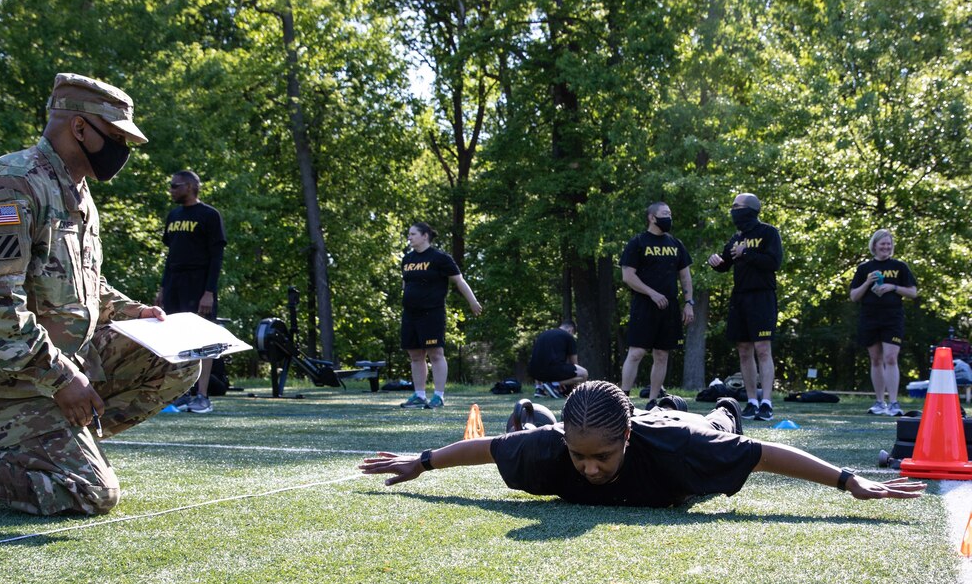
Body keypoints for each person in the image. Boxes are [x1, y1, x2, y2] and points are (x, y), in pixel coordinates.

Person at [0, 73, 199, 515]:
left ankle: (54, 445)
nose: (122, 152)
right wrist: (61, 377)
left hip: (60, 368)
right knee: (92, 494)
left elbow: (80, 284)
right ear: (80, 128)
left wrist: (134, 312)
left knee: (178, 358)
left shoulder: (76, 192)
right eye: (115, 137)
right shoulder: (9, 184)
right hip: (0, 378)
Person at [361, 380, 925, 507]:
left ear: (625, 439)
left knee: (719, 425)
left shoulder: (682, 448)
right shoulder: (549, 447)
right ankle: (540, 409)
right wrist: (422, 462)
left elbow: (763, 454)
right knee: (538, 429)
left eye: (601, 457)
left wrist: (849, 481)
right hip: (627, 421)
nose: (587, 469)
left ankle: (722, 399)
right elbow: (484, 450)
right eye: (579, 456)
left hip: (686, 431)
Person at [155, 170, 227, 415]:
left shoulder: (209, 215)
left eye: (175, 186)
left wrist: (209, 292)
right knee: (177, 339)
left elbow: (216, 257)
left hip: (198, 284)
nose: (171, 190)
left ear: (190, 186)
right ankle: (180, 394)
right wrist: (163, 288)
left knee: (203, 340)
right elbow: (171, 255)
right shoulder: (173, 215)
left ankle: (202, 396)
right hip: (175, 283)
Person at [707, 193, 783, 421]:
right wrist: (717, 263)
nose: (733, 210)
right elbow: (726, 262)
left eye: (736, 206)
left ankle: (766, 403)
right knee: (743, 349)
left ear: (749, 209)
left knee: (762, 348)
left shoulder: (769, 233)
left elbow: (774, 262)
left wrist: (747, 252)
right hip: (740, 298)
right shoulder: (736, 237)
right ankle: (751, 401)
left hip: (762, 297)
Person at [399, 221, 482, 409]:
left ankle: (438, 396)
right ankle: (419, 395)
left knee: (436, 353)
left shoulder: (440, 258)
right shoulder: (407, 259)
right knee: (415, 355)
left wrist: (473, 302)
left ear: (425, 236)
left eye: (413, 234)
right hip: (410, 314)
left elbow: (459, 281)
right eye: (409, 234)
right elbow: (406, 284)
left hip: (432, 313)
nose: (409, 237)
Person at [620, 202, 694, 409]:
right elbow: (627, 276)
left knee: (662, 354)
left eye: (670, 214)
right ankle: (623, 399)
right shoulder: (637, 242)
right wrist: (652, 293)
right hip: (644, 306)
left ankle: (653, 401)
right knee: (636, 353)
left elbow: (685, 277)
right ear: (652, 217)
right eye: (664, 214)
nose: (668, 217)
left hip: (669, 308)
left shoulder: (675, 244)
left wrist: (689, 303)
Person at [850, 229, 918, 416]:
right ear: (874, 246)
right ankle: (880, 402)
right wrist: (867, 283)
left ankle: (894, 403)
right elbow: (854, 296)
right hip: (870, 317)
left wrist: (893, 287)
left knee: (890, 357)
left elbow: (913, 292)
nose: (886, 247)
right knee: (876, 359)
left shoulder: (900, 266)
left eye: (889, 244)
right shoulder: (864, 268)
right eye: (882, 244)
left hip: (892, 318)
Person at [528, 321, 588, 398]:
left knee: (541, 362)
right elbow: (574, 363)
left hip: (534, 371)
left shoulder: (543, 334)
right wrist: (569, 382)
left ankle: (539, 389)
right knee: (584, 373)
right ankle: (555, 384)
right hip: (551, 371)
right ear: (571, 330)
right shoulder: (568, 337)